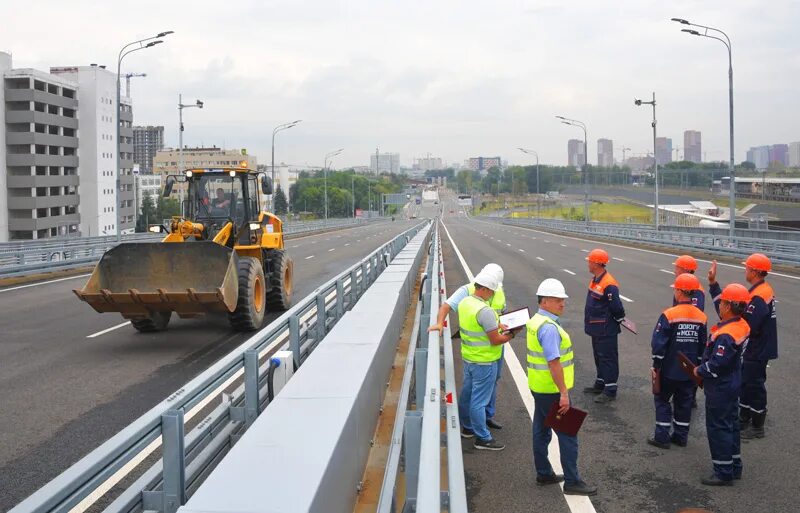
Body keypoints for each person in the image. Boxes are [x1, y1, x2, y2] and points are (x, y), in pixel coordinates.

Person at [528, 278, 597, 495]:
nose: (563, 304)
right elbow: (553, 362)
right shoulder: (548, 328)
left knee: (541, 430)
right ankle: (572, 481)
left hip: (538, 387)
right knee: (568, 435)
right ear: (545, 301)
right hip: (552, 390)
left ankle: (544, 473)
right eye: (558, 300)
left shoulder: (536, 321)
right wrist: (564, 393)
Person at [708, 253, 777, 439]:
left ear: (754, 271)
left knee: (754, 385)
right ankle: (744, 419)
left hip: (758, 349)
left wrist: (729, 328)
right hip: (756, 347)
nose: (745, 270)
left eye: (747, 267)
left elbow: (744, 325)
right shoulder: (760, 291)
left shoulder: (759, 296)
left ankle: (757, 426)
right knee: (747, 384)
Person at [429, 263, 506, 429]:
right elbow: (446, 306)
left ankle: (486, 416)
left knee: (493, 381)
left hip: (495, 345)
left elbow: (500, 314)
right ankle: (468, 422)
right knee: (472, 388)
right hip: (478, 350)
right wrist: (439, 323)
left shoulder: (497, 290)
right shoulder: (467, 290)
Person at [695, 283, 750, 486]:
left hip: (721, 387)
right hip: (733, 382)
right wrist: (714, 285)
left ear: (727, 306)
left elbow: (716, 364)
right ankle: (735, 465)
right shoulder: (741, 325)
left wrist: (698, 370)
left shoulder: (726, 334)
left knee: (718, 428)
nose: (720, 306)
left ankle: (723, 471)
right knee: (731, 425)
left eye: (723, 302)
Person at [455, 268, 515, 451]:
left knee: (468, 393)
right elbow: (496, 340)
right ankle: (482, 437)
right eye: (492, 292)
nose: (492, 295)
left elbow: (478, 326)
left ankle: (467, 427)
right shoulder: (485, 310)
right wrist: (512, 333)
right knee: (479, 400)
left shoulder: (465, 303)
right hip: (486, 361)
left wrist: (498, 325)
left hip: (470, 358)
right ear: (486, 290)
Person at [648, 273, 707, 449]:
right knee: (684, 403)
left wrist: (656, 366)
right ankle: (681, 437)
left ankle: (662, 436)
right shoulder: (701, 317)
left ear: (680, 292)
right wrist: (697, 368)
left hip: (669, 369)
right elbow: (703, 345)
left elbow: (659, 344)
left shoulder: (669, 314)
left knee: (662, 400)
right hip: (690, 371)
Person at [583, 248, 626, 403]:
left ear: (596, 263)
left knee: (608, 357)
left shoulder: (609, 283)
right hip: (596, 327)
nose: (588, 263)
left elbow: (616, 306)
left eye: (589, 261)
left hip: (605, 328)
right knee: (598, 356)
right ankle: (600, 383)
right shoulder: (596, 279)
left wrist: (621, 318)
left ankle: (610, 389)